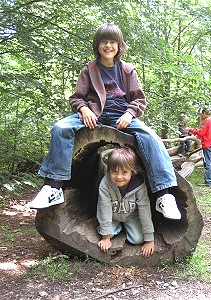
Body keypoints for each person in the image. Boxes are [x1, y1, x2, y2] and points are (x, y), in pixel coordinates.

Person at [28, 23, 181, 220]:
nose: (108, 46)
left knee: (150, 137)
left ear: (119, 45)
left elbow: (138, 100)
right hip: (93, 114)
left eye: (112, 42)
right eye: (104, 42)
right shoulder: (89, 70)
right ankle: (53, 187)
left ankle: (164, 195)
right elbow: (77, 98)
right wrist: (83, 109)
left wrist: (129, 114)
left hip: (121, 116)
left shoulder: (127, 70)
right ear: (97, 45)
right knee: (60, 128)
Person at [97, 147, 154, 258]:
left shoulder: (139, 186)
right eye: (114, 171)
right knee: (107, 232)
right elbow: (104, 209)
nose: (119, 177)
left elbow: (145, 210)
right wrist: (106, 237)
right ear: (108, 170)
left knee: (138, 239)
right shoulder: (105, 185)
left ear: (132, 172)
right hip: (112, 216)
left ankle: (127, 227)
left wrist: (149, 239)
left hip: (131, 216)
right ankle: (117, 228)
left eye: (124, 172)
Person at [188, 108, 211, 186]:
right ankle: (209, 180)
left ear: (204, 113)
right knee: (210, 162)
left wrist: (191, 130)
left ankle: (208, 182)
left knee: (207, 162)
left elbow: (201, 133)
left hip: (207, 144)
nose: (201, 115)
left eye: (201, 113)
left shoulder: (206, 121)